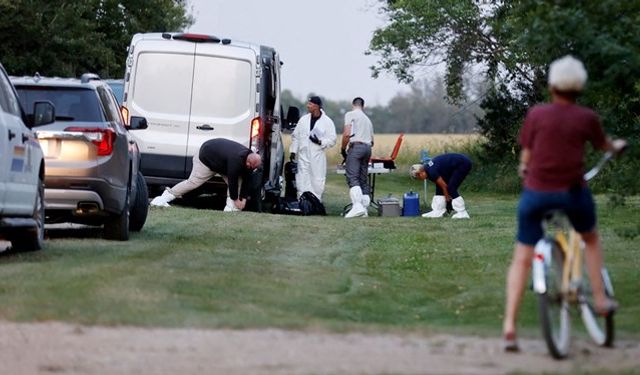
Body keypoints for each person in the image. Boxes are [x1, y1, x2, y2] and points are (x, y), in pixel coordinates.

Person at [502, 55, 626, 352]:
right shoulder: (586, 118)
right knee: (591, 238)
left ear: (552, 86)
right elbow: (605, 145)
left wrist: (524, 169)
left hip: (535, 194)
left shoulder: (536, 115)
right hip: (572, 193)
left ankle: (509, 325)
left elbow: (527, 155)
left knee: (522, 257)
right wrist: (616, 146)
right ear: (579, 87)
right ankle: (599, 298)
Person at [150, 138, 262, 211]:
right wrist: (237, 200)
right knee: (193, 182)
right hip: (206, 158)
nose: (250, 169)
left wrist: (244, 199)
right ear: (248, 162)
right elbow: (232, 181)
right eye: (250, 166)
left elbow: (247, 179)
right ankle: (162, 199)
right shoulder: (236, 160)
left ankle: (230, 210)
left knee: (239, 182)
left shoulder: (250, 162)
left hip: (221, 163)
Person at [289, 96, 336, 201]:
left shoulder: (327, 122)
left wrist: (320, 142)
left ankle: (316, 202)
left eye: (310, 104)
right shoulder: (303, 120)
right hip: (303, 155)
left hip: (317, 156)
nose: (307, 106)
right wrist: (293, 151)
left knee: (317, 180)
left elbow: (332, 140)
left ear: (317, 106)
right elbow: (296, 136)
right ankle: (302, 202)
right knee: (302, 178)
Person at [340, 97, 375, 218]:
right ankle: (364, 210)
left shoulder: (350, 114)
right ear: (363, 106)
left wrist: (343, 148)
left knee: (353, 177)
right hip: (368, 148)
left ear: (353, 104)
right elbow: (372, 141)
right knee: (363, 179)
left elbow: (346, 134)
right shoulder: (368, 119)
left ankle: (357, 207)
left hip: (356, 147)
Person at [409, 153, 472, 219]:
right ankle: (438, 211)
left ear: (420, 173)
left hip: (462, 163)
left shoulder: (431, 171)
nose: (419, 180)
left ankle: (462, 212)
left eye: (417, 178)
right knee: (439, 188)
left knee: (451, 188)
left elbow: (444, 186)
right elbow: (440, 185)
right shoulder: (428, 169)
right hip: (455, 165)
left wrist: (448, 201)